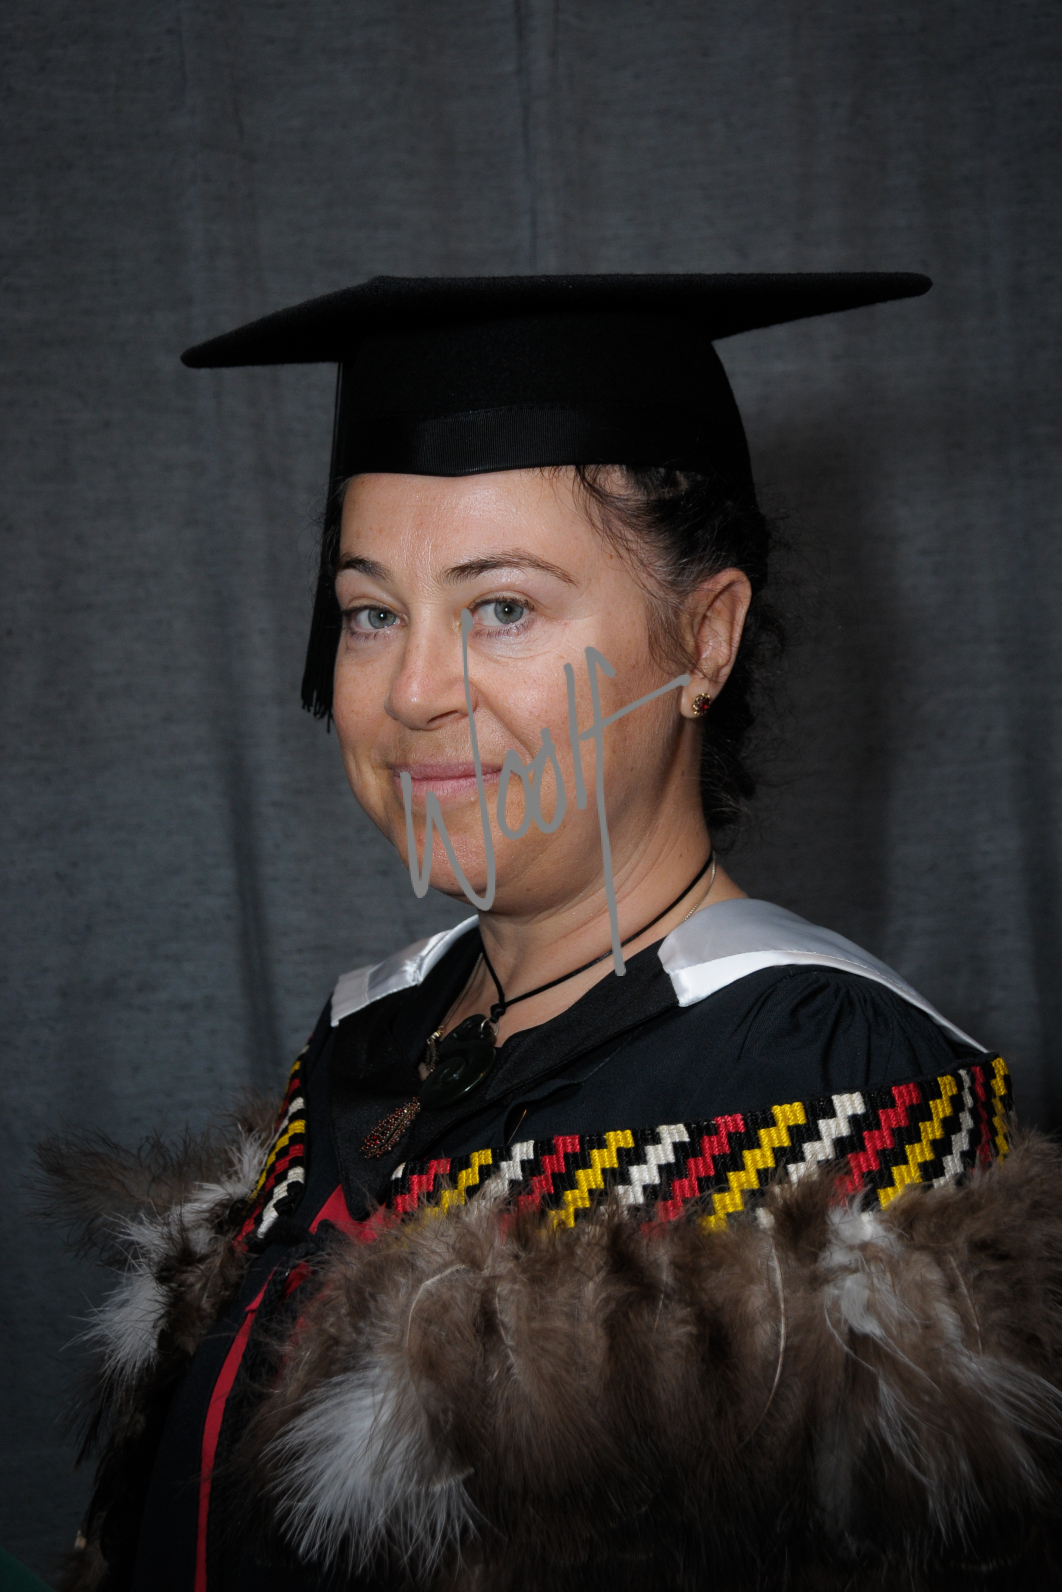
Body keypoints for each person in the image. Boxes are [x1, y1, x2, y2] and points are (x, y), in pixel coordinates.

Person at [46, 275, 1062, 1592]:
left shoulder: (831, 1086)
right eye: (371, 612)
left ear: (705, 639)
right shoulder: (377, 1038)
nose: (414, 691)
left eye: (503, 609)